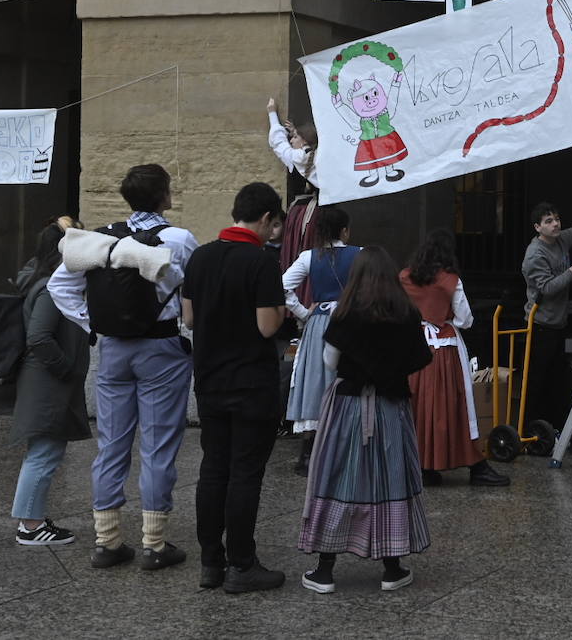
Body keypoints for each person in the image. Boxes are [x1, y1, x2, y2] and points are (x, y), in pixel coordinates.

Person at [48, 164, 198, 570]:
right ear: (165, 196)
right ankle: (154, 543)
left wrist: (91, 324)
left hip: (113, 348)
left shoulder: (100, 239)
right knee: (158, 446)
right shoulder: (179, 239)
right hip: (162, 348)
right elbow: (193, 290)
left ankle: (108, 541)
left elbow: (58, 286)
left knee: (111, 445)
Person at [297, 247, 433, 594]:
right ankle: (391, 568)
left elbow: (330, 361)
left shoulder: (347, 314)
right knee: (391, 480)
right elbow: (419, 359)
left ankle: (325, 570)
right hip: (391, 408)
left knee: (337, 478)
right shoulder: (406, 314)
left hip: (347, 408)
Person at [180, 182, 288, 593]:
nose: (273, 233)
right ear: (263, 218)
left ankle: (211, 562)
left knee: (213, 469)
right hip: (251, 384)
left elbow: (189, 319)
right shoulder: (260, 262)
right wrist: (280, 310)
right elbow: (267, 325)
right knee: (245, 473)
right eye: (273, 225)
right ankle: (242, 564)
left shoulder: (201, 257)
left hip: (209, 380)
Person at [401, 229, 509, 487]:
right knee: (456, 407)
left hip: (414, 348)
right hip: (445, 351)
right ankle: (476, 466)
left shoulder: (405, 277)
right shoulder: (450, 280)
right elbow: (466, 320)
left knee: (420, 408)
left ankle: (424, 466)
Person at [10, 221, 92, 546]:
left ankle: (32, 520)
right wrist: (66, 369)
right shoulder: (49, 287)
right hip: (48, 382)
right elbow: (40, 337)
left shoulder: (43, 279)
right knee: (44, 453)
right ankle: (30, 526)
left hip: (45, 380)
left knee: (43, 451)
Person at [283, 206, 360, 474]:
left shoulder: (308, 257)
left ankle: (308, 455)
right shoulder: (359, 255)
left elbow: (282, 286)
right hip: (350, 323)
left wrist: (305, 313)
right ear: (344, 230)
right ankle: (345, 452)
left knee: (315, 381)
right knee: (348, 380)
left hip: (319, 325)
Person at [521, 178, 572, 426]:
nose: (555, 224)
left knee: (556, 379)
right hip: (539, 325)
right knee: (536, 379)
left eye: (556, 219)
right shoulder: (535, 255)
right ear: (537, 227)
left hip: (558, 324)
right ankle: (528, 426)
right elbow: (547, 288)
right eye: (548, 221)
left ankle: (551, 427)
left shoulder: (561, 239)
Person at [267, 98, 320, 306]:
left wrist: (272, 114)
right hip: (322, 211)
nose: (292, 139)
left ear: (305, 140)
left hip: (308, 214)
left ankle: (300, 304)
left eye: (296, 136)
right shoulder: (319, 155)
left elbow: (278, 144)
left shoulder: (302, 157)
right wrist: (293, 131)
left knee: (301, 256)